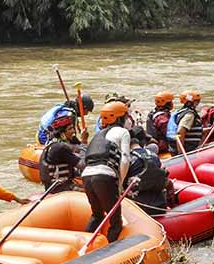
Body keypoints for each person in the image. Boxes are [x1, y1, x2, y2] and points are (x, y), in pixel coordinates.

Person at [81, 101, 132, 242]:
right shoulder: (123, 132)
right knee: (115, 222)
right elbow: (125, 159)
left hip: (86, 176)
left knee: (97, 216)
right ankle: (108, 253)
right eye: (126, 116)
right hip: (105, 176)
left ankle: (82, 245)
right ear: (119, 118)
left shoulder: (97, 135)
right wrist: (120, 184)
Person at [126, 127, 173, 216]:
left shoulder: (127, 159)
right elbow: (165, 180)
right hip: (160, 206)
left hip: (138, 210)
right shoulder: (154, 156)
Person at [38, 113, 85, 193]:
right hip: (61, 188)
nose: (73, 131)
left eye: (73, 128)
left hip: (54, 187)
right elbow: (83, 165)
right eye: (70, 129)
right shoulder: (61, 148)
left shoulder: (52, 144)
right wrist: (84, 142)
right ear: (62, 133)